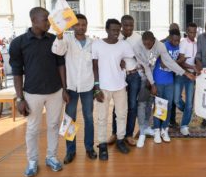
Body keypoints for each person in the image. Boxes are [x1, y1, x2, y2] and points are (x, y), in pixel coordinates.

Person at [9, 7, 69, 177]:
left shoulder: (53, 39)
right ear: (33, 20)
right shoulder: (18, 43)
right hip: (32, 93)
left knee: (53, 126)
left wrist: (64, 89)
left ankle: (51, 157)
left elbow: (61, 65)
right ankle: (32, 161)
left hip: (55, 92)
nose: (49, 23)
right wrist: (20, 98)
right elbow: (17, 72)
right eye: (45, 19)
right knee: (33, 128)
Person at [133, 31, 195, 144]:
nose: (147, 46)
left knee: (168, 105)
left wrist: (185, 73)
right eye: (145, 44)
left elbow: (169, 62)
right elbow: (146, 67)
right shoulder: (137, 47)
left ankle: (164, 129)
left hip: (168, 80)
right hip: (152, 77)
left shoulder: (160, 46)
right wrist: (152, 84)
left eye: (149, 44)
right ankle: (156, 129)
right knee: (157, 104)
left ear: (154, 40)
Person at [51, 14, 96, 164]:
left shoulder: (92, 43)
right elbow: (57, 51)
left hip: (87, 86)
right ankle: (70, 151)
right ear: (73, 26)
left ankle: (89, 148)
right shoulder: (67, 40)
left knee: (89, 118)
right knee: (69, 119)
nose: (81, 27)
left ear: (87, 26)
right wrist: (59, 35)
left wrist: (97, 85)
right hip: (71, 87)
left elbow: (96, 64)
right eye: (78, 24)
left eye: (84, 24)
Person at [92, 19, 136, 160]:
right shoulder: (97, 44)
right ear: (106, 30)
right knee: (102, 117)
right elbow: (94, 66)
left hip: (120, 86)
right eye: (113, 30)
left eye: (118, 30)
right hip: (103, 87)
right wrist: (97, 87)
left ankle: (120, 140)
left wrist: (126, 63)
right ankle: (103, 145)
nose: (116, 33)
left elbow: (133, 59)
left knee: (121, 114)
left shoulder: (124, 45)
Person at [109, 15, 142, 146]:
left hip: (133, 75)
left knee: (132, 106)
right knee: (118, 105)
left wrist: (134, 59)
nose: (129, 28)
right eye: (126, 25)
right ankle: (114, 133)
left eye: (131, 25)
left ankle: (129, 134)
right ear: (121, 25)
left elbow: (145, 56)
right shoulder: (115, 37)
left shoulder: (138, 38)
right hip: (118, 76)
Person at [175, 22, 198, 136]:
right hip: (181, 74)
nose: (192, 34)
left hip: (192, 76)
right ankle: (188, 112)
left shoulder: (196, 44)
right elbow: (181, 61)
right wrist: (191, 67)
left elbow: (195, 60)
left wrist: (196, 68)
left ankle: (184, 126)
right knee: (176, 99)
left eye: (194, 32)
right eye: (190, 32)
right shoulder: (183, 43)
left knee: (189, 102)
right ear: (187, 32)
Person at [160, 22, 180, 127]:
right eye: (172, 30)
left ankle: (171, 120)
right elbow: (153, 58)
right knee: (162, 100)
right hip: (161, 77)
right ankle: (161, 121)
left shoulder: (178, 44)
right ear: (169, 32)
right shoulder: (162, 43)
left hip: (173, 76)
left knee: (171, 100)